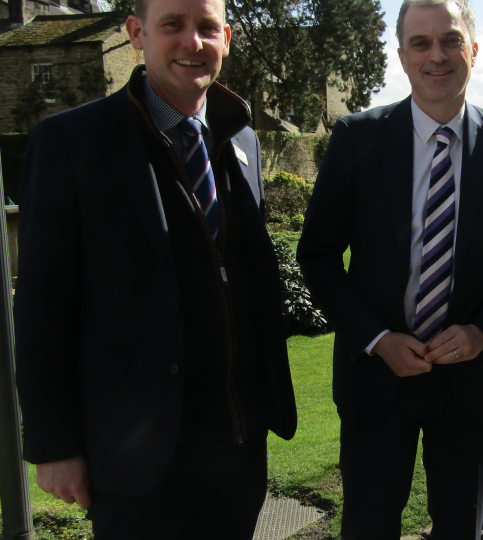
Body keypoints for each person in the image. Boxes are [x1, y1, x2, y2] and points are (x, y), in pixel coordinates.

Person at [14, 0, 296, 538]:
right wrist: (54, 445)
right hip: (137, 458)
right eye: (173, 25)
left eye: (207, 28)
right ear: (136, 34)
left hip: (238, 446)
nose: (192, 42)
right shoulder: (72, 143)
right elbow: (41, 305)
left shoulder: (241, 139)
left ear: (227, 39)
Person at [296, 0, 483, 538]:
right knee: (367, 527)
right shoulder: (356, 139)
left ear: (473, 50)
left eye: (451, 40)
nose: (437, 55)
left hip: (469, 382)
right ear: (402, 56)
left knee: (461, 530)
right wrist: (377, 338)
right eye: (421, 43)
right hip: (375, 379)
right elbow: (317, 256)